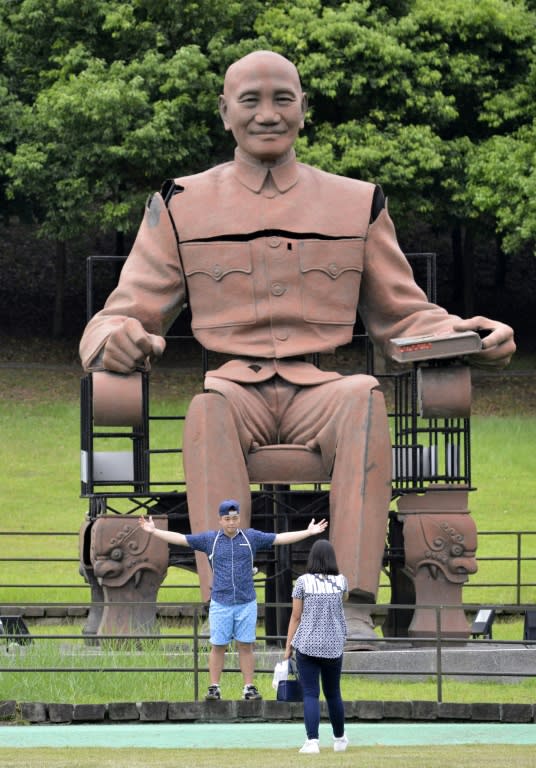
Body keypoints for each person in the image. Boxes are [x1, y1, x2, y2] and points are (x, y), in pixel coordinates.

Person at [81, 50, 516, 645]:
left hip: (323, 390)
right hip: (234, 390)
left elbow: (402, 316)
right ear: (225, 112)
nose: (268, 114)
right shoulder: (182, 203)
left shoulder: (355, 202)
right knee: (207, 410)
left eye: (283, 99)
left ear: (304, 111)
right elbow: (121, 312)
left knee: (364, 396)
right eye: (251, 100)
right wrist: (116, 339)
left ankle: (348, 607)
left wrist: (469, 335)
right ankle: (228, 611)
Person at [138, 499, 327, 701]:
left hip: (246, 602)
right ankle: (214, 687)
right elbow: (182, 538)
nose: (231, 522)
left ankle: (248, 687)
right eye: (227, 519)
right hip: (220, 602)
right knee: (218, 645)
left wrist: (308, 532)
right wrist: (153, 531)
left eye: (235, 518)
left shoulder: (251, 537)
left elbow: (279, 538)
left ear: (239, 518)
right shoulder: (210, 539)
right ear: (220, 520)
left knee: (246, 645)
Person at [284, 539, 349, 753]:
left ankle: (312, 741)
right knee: (333, 693)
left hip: (307, 644)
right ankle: (339, 739)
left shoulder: (303, 582)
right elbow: (344, 600)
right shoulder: (341, 581)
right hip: (333, 645)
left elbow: (296, 616)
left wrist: (288, 646)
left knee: (311, 693)